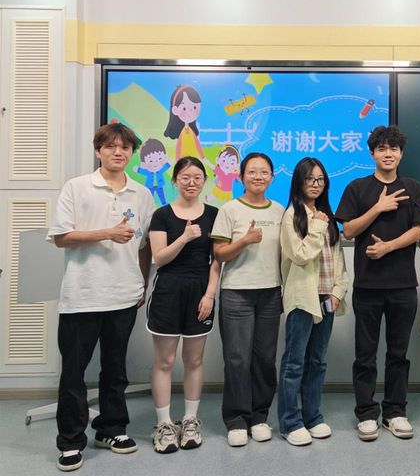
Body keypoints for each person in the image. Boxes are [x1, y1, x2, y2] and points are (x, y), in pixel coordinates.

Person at [47, 123, 155, 472]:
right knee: (74, 373)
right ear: (98, 151)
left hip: (124, 296)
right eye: (110, 146)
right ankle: (70, 442)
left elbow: (144, 245)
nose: (118, 152)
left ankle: (111, 430)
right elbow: (61, 237)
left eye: (125, 147)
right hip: (82, 295)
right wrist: (107, 233)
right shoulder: (77, 187)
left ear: (132, 153)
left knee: (116, 369)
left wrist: (142, 283)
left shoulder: (142, 193)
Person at [335, 125, 420, 442]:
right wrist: (378, 207)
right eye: (382, 148)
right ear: (372, 153)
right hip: (367, 286)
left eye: (394, 148)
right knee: (365, 355)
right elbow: (349, 231)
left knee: (398, 354)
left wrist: (388, 247)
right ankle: (366, 414)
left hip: (403, 285)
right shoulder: (357, 187)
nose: (388, 154)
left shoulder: (413, 187)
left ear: (401, 154)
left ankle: (395, 412)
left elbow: (418, 231)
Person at [147, 157, 221, 453]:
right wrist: (184, 237)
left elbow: (217, 260)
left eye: (197, 177)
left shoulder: (214, 214)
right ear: (175, 180)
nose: (191, 183)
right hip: (168, 290)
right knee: (165, 361)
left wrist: (210, 294)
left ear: (205, 181)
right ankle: (164, 424)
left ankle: (190, 420)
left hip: (200, 292)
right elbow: (159, 258)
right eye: (185, 177)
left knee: (194, 360)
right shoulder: (162, 215)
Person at [210, 152, 283, 447]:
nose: (258, 177)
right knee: (237, 358)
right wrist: (244, 241)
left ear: (272, 178)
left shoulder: (279, 210)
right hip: (237, 292)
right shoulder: (229, 209)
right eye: (252, 172)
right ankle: (237, 419)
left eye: (264, 172)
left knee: (265, 358)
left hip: (270, 292)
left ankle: (259, 417)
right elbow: (219, 254)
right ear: (241, 177)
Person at [278, 158, 349, 446]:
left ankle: (312, 417)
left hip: (326, 297)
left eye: (320, 179)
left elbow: (339, 260)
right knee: (294, 362)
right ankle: (289, 422)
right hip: (302, 298)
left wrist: (338, 292)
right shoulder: (292, 216)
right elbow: (300, 255)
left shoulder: (326, 215)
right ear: (299, 181)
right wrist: (318, 226)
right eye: (310, 179)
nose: (316, 184)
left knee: (317, 361)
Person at [163, 84, 210, 166]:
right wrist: (178, 161)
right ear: (175, 110)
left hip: (194, 160)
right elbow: (179, 147)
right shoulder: (183, 132)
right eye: (184, 108)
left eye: (194, 107)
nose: (190, 111)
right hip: (183, 162)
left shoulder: (190, 131)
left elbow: (197, 144)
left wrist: (203, 157)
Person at [134, 138, 171, 206]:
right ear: (144, 164)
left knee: (161, 194)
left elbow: (164, 168)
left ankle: (163, 202)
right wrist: (138, 170)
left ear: (164, 157)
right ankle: (149, 203)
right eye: (151, 161)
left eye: (159, 158)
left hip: (159, 185)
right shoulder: (148, 172)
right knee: (150, 195)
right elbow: (143, 172)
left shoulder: (160, 171)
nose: (155, 163)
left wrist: (168, 164)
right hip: (150, 186)